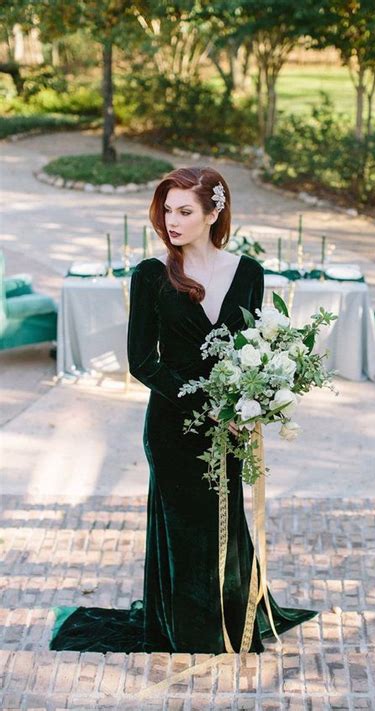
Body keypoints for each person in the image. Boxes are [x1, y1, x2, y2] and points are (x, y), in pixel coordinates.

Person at [49, 166, 318, 654]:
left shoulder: (249, 274)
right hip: (174, 424)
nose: (171, 221)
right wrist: (205, 402)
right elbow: (141, 362)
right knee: (183, 527)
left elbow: (252, 347)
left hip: (231, 425)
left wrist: (251, 399)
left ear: (214, 213)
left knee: (227, 517)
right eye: (167, 210)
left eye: (185, 211)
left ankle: (233, 616)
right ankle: (188, 631)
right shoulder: (152, 275)